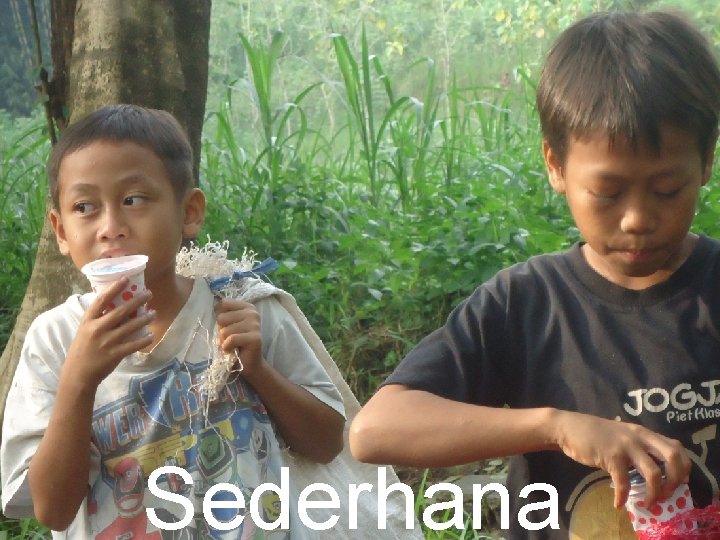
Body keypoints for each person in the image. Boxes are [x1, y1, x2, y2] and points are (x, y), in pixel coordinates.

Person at [349, 10, 720, 539]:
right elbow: (375, 430)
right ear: (555, 165)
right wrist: (557, 427)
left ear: (706, 161)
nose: (637, 219)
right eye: (608, 192)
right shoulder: (525, 304)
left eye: (667, 190)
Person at [0, 104, 346, 539]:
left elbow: (327, 443)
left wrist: (257, 370)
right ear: (61, 231)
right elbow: (52, 510)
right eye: (85, 206)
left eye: (133, 200)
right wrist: (79, 381)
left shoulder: (241, 310)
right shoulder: (54, 340)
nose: (111, 227)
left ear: (189, 213)